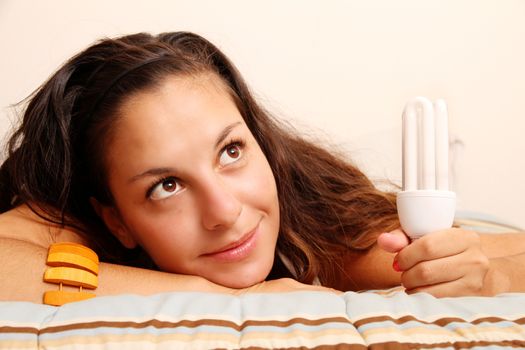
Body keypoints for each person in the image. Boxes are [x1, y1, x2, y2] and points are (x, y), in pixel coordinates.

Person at [0, 32, 524, 304]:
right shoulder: (78, 227)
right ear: (116, 220)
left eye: (231, 151)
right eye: (168, 184)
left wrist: (491, 274)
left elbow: (499, 255)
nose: (225, 212)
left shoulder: (321, 230)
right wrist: (235, 295)